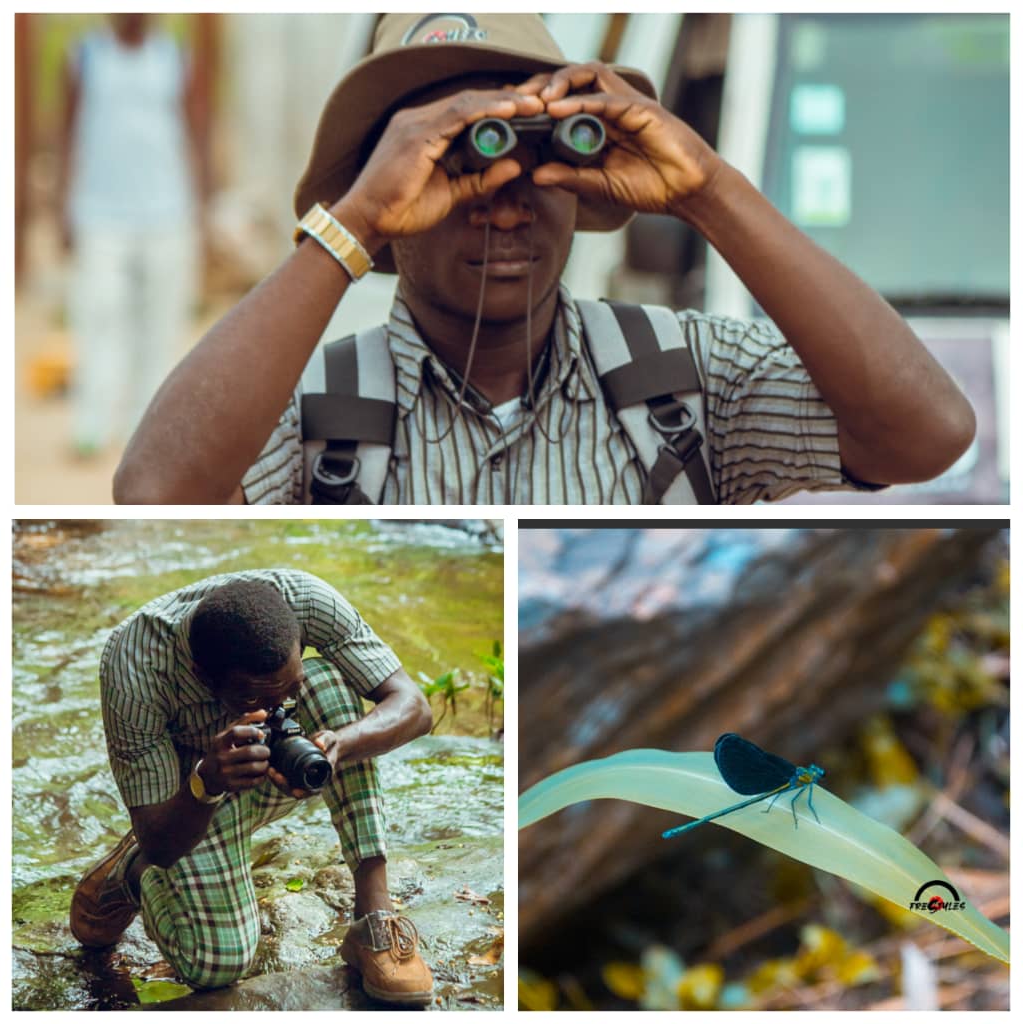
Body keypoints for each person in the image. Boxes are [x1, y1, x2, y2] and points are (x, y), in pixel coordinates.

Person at [113, 13, 975, 505]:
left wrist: (706, 186)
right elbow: (156, 498)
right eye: (454, 158)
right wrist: (356, 221)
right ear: (388, 189)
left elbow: (926, 433)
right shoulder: (308, 416)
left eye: (536, 152)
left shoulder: (689, 378)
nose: (503, 196)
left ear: (584, 173)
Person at [69, 569, 435, 1006]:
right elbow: (163, 843)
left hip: (274, 773)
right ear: (202, 676)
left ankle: (375, 920)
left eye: (288, 690)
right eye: (253, 701)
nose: (276, 711)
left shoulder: (305, 599)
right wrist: (208, 781)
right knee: (218, 963)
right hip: (190, 802)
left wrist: (339, 745)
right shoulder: (135, 669)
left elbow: (414, 707)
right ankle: (132, 874)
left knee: (334, 690)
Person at [59, 13, 207, 458]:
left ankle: (144, 426)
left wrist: (203, 203)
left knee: (160, 322)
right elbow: (65, 133)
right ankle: (92, 422)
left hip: (167, 211)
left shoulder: (174, 56)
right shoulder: (84, 55)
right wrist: (59, 208)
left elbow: (196, 130)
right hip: (99, 212)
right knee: (100, 316)